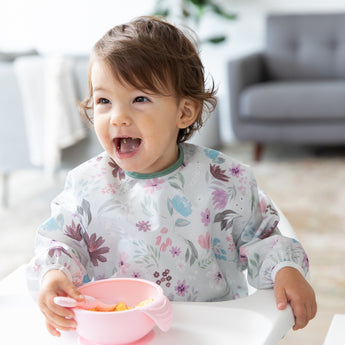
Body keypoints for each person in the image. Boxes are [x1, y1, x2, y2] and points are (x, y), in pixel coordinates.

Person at [27, 16, 316, 337]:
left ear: (184, 112)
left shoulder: (225, 180)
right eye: (104, 101)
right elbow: (62, 243)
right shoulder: (85, 183)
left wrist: (285, 269)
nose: (118, 117)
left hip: (209, 326)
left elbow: (261, 239)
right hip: (119, 328)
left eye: (140, 99)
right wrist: (54, 273)